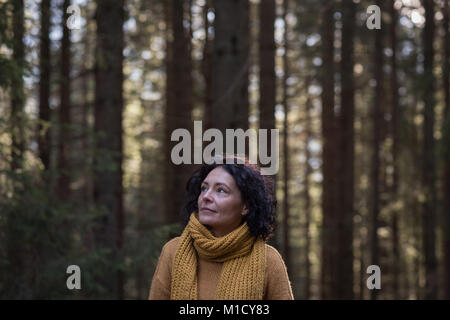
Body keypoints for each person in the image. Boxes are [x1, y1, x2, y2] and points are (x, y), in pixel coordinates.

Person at [148, 156, 294, 300]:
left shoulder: (269, 260)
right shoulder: (172, 251)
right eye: (204, 188)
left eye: (221, 190)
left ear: (246, 206)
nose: (206, 196)